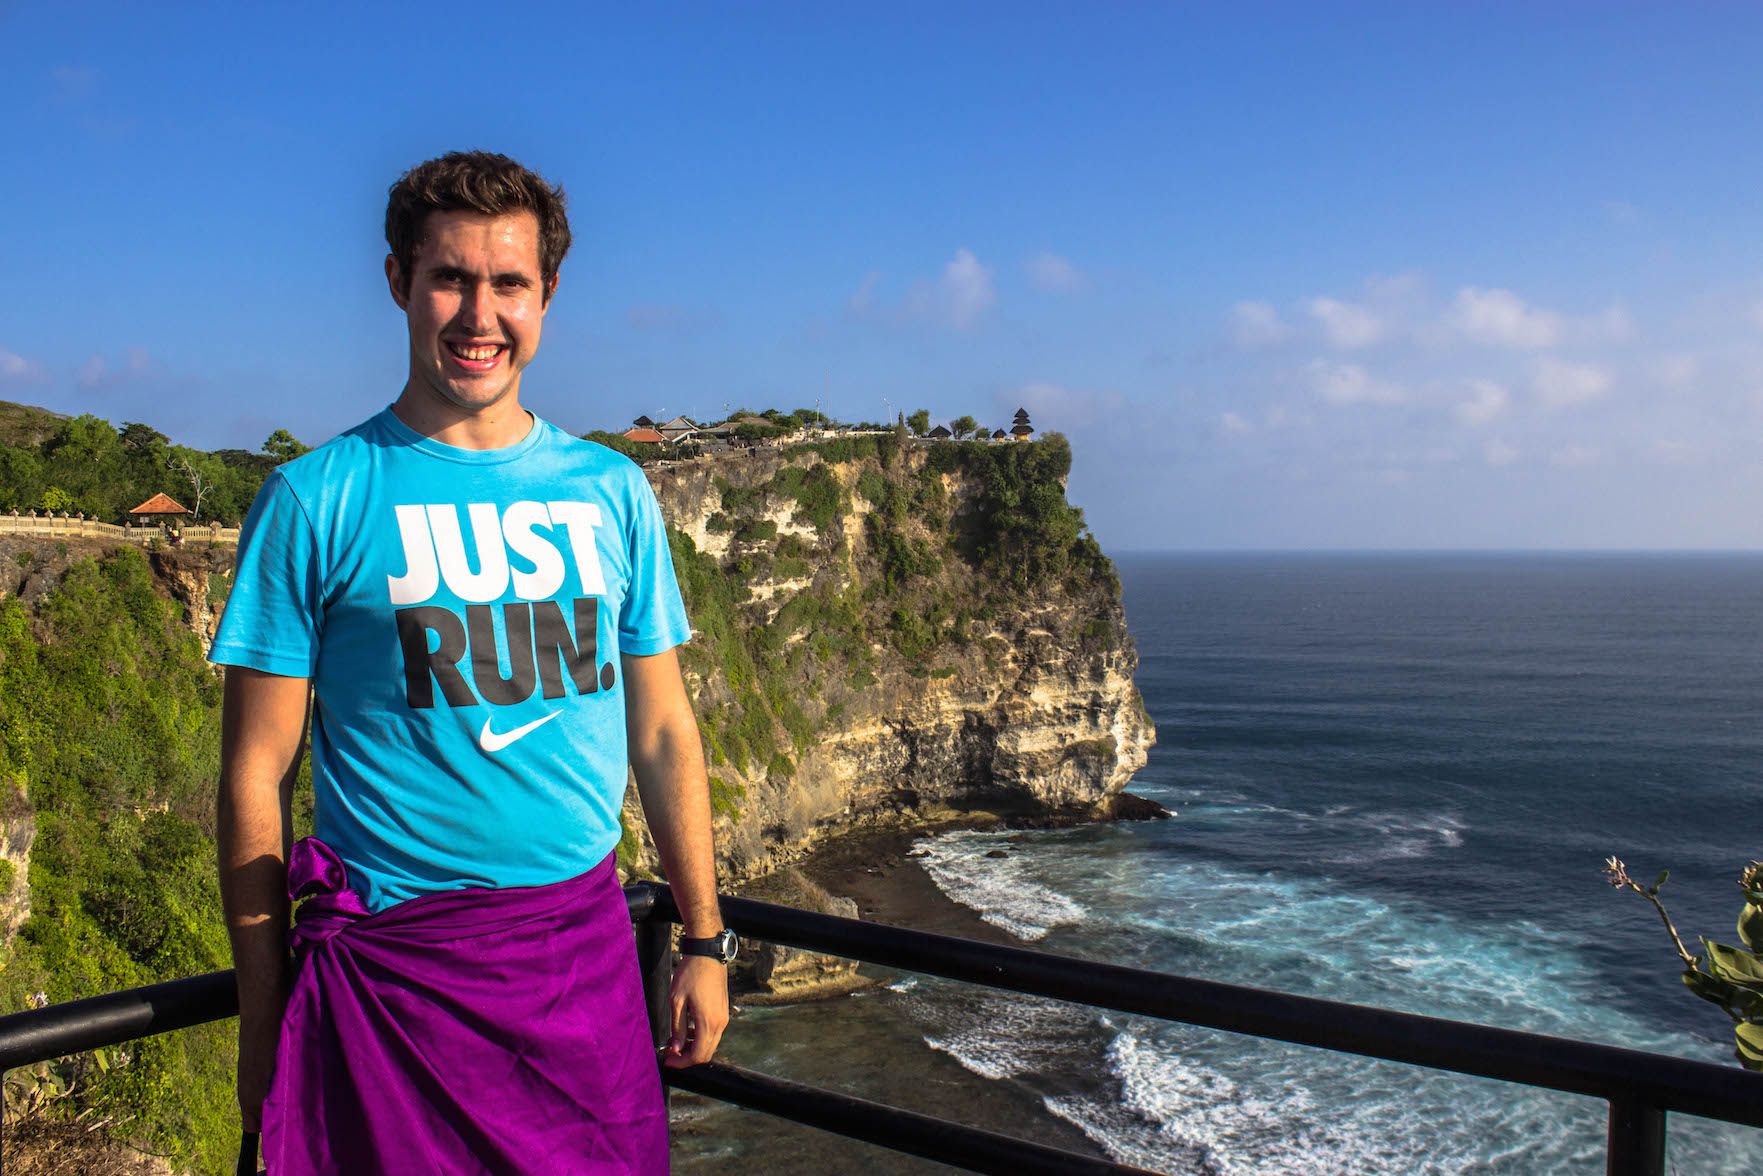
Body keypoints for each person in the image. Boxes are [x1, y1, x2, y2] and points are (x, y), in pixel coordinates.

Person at [213, 150, 730, 1174]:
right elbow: (252, 775)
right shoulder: (316, 499)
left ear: (546, 296)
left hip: (581, 964)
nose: (477, 315)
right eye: (449, 278)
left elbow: (664, 733)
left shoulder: (613, 491)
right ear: (399, 280)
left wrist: (706, 942)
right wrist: (262, 1017)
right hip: (395, 982)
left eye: (507, 284)